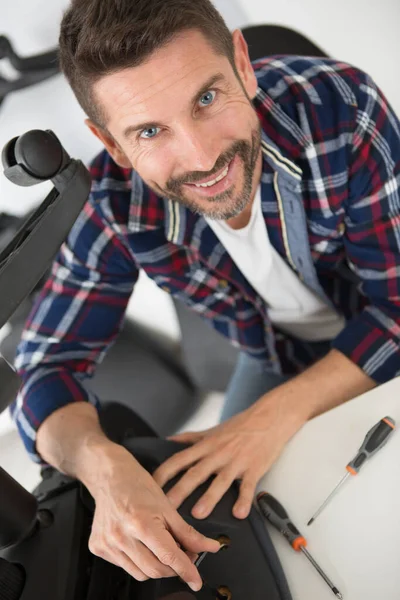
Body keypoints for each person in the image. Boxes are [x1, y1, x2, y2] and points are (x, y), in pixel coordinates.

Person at [10, 0, 400, 591]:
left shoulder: (340, 108)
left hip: (372, 326)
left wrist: (274, 415)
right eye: (149, 130)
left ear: (242, 64)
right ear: (109, 142)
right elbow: (44, 364)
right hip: (278, 354)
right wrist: (101, 465)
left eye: (206, 99)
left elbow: (396, 306)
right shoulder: (114, 202)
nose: (201, 157)